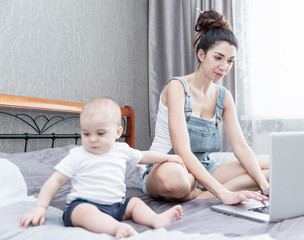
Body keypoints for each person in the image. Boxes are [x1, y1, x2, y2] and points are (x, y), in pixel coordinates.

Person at [142, 9, 269, 205]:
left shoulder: (223, 96)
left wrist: (263, 183)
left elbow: (241, 148)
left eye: (230, 61)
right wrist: (223, 194)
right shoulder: (177, 87)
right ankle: (216, 190)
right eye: (218, 58)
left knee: (273, 166)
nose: (224, 67)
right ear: (201, 55)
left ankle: (200, 192)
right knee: (176, 180)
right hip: (170, 165)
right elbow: (181, 150)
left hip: (204, 167)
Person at [20, 97, 184, 239]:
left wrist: (168, 157)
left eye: (100, 133)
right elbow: (55, 180)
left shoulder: (122, 150)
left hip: (115, 206)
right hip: (84, 204)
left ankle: (155, 219)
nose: (92, 139)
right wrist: (40, 208)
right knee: (84, 212)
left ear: (118, 132)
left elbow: (145, 156)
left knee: (134, 203)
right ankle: (116, 228)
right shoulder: (78, 155)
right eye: (86, 134)